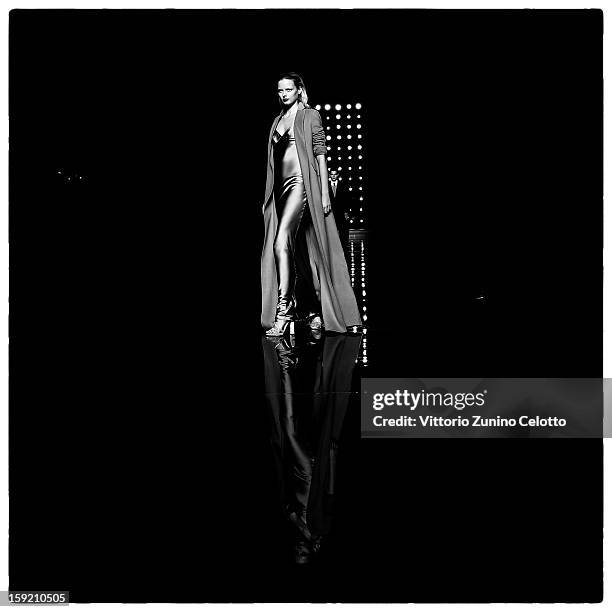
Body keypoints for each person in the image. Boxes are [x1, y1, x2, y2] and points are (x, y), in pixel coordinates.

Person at [261, 73, 362, 335]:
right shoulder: (276, 121)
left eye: (288, 89)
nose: (283, 94)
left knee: (280, 242)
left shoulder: (309, 115)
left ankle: (284, 313)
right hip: (280, 192)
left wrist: (325, 193)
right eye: (279, 90)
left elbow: (320, 153)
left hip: (301, 186)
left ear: (299, 90)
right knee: (299, 252)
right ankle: (310, 309)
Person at [328, 169, 352, 253]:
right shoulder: (325, 186)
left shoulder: (343, 185)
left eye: (335, 174)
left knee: (343, 232)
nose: (333, 176)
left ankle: (343, 249)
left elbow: (347, 200)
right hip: (330, 213)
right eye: (332, 174)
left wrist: (347, 212)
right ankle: (332, 249)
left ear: (338, 175)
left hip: (341, 213)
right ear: (329, 175)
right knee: (330, 231)